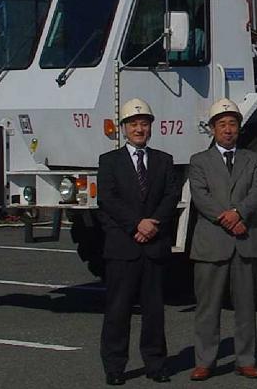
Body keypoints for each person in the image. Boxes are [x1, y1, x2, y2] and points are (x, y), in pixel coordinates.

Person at [98, 98, 180, 386]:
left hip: (154, 246)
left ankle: (156, 364)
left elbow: (171, 196)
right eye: (133, 124)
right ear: (123, 128)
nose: (139, 129)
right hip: (124, 246)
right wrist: (136, 224)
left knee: (154, 312)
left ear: (151, 127)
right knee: (118, 311)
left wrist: (153, 223)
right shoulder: (109, 162)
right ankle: (114, 366)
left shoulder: (163, 160)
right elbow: (107, 199)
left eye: (144, 124)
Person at [188, 98, 257, 381]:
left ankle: (246, 359)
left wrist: (239, 213)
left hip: (244, 241)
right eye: (222, 124)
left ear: (239, 128)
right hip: (212, 242)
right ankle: (205, 361)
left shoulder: (253, 159)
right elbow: (201, 196)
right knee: (207, 308)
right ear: (213, 129)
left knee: (246, 307)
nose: (228, 129)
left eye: (232, 124)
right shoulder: (199, 161)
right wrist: (226, 218)